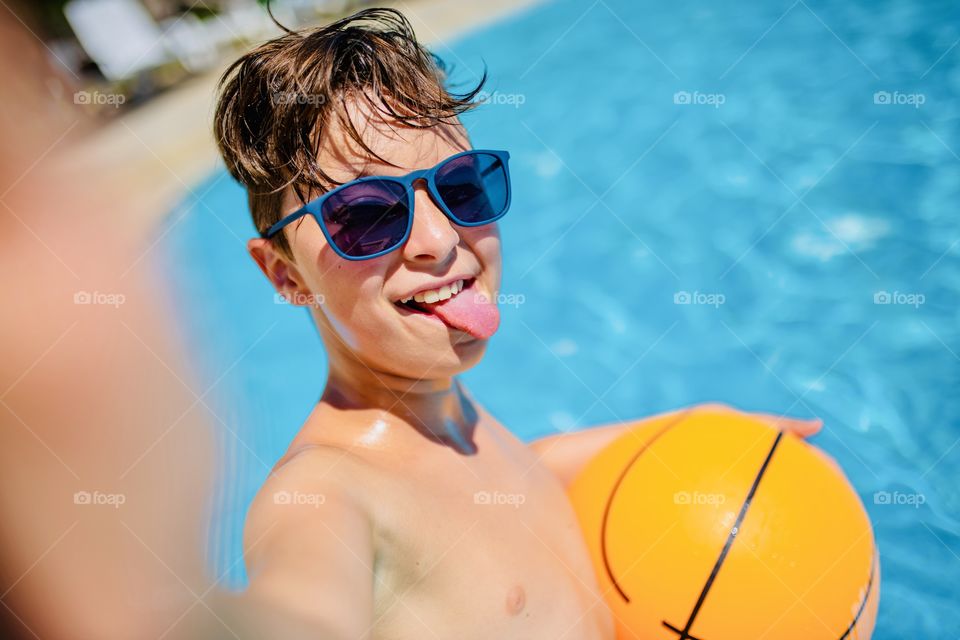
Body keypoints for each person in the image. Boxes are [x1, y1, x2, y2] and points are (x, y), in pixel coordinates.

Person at [213, 8, 821, 638]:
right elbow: (301, 603)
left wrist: (682, 431)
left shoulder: (448, 421)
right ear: (284, 276)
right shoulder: (323, 497)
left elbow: (500, 481)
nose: (439, 238)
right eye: (365, 214)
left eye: (460, 185)